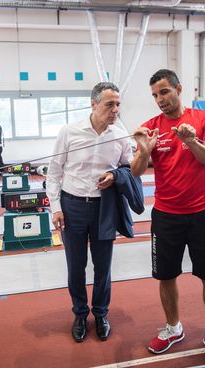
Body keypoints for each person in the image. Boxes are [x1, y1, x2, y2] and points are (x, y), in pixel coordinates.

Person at [132, 69, 205, 367]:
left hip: (202, 213)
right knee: (165, 276)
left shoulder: (204, 119)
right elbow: (137, 171)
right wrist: (144, 149)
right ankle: (173, 328)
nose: (160, 100)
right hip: (165, 216)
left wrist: (191, 141)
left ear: (178, 88)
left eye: (164, 92)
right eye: (154, 95)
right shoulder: (150, 127)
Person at [46, 82, 133, 343]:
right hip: (72, 207)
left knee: (103, 267)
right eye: (110, 104)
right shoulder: (69, 132)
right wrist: (56, 208)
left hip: (104, 208)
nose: (115, 109)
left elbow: (129, 169)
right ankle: (80, 314)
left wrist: (114, 175)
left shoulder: (120, 134)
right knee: (76, 267)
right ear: (93, 104)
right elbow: (54, 172)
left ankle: (101, 313)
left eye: (118, 104)